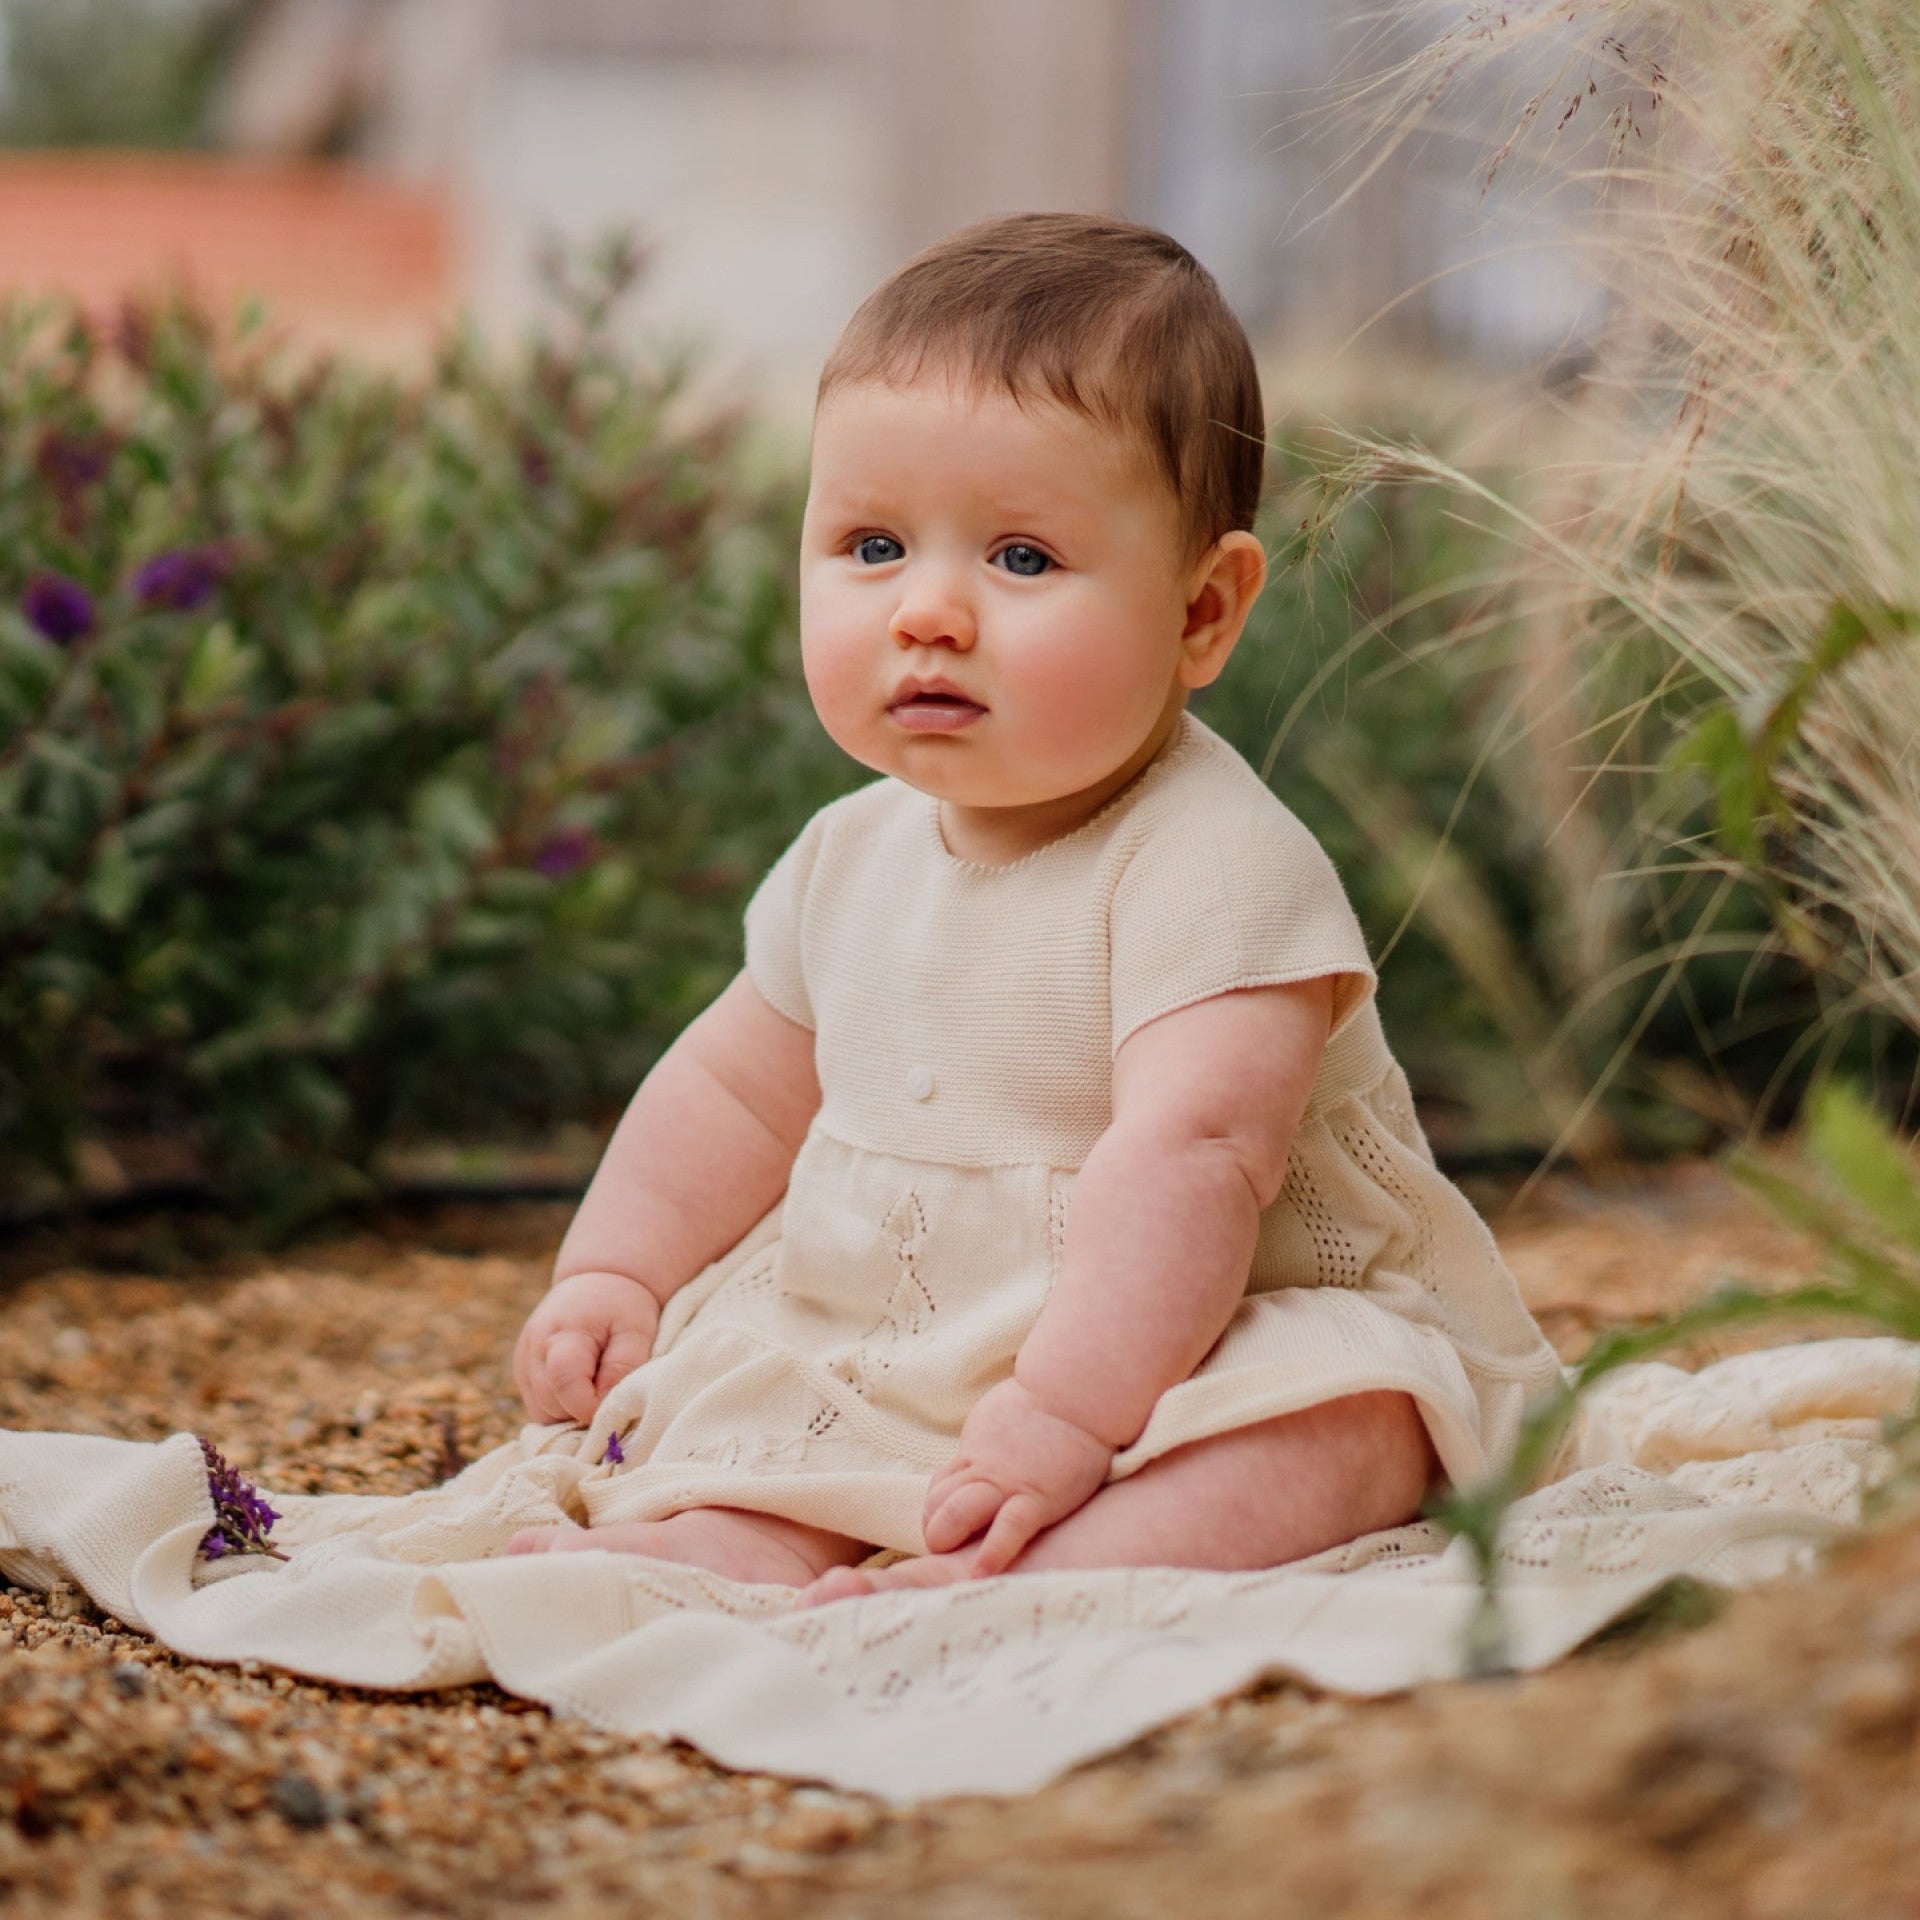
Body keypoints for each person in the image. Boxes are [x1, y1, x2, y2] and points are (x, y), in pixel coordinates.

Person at [502, 212, 1562, 1605]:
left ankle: (1062, 1564)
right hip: (915, 1326)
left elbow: (1198, 1156)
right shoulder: (847, 853)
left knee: (1349, 1415)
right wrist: (617, 1271)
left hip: (1212, 1318)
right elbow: (736, 1092)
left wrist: (1068, 1413)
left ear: (1202, 613)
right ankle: (732, 1545)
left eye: (1020, 560)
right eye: (872, 546)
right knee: (770, 1396)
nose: (928, 613)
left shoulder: (1215, 865)